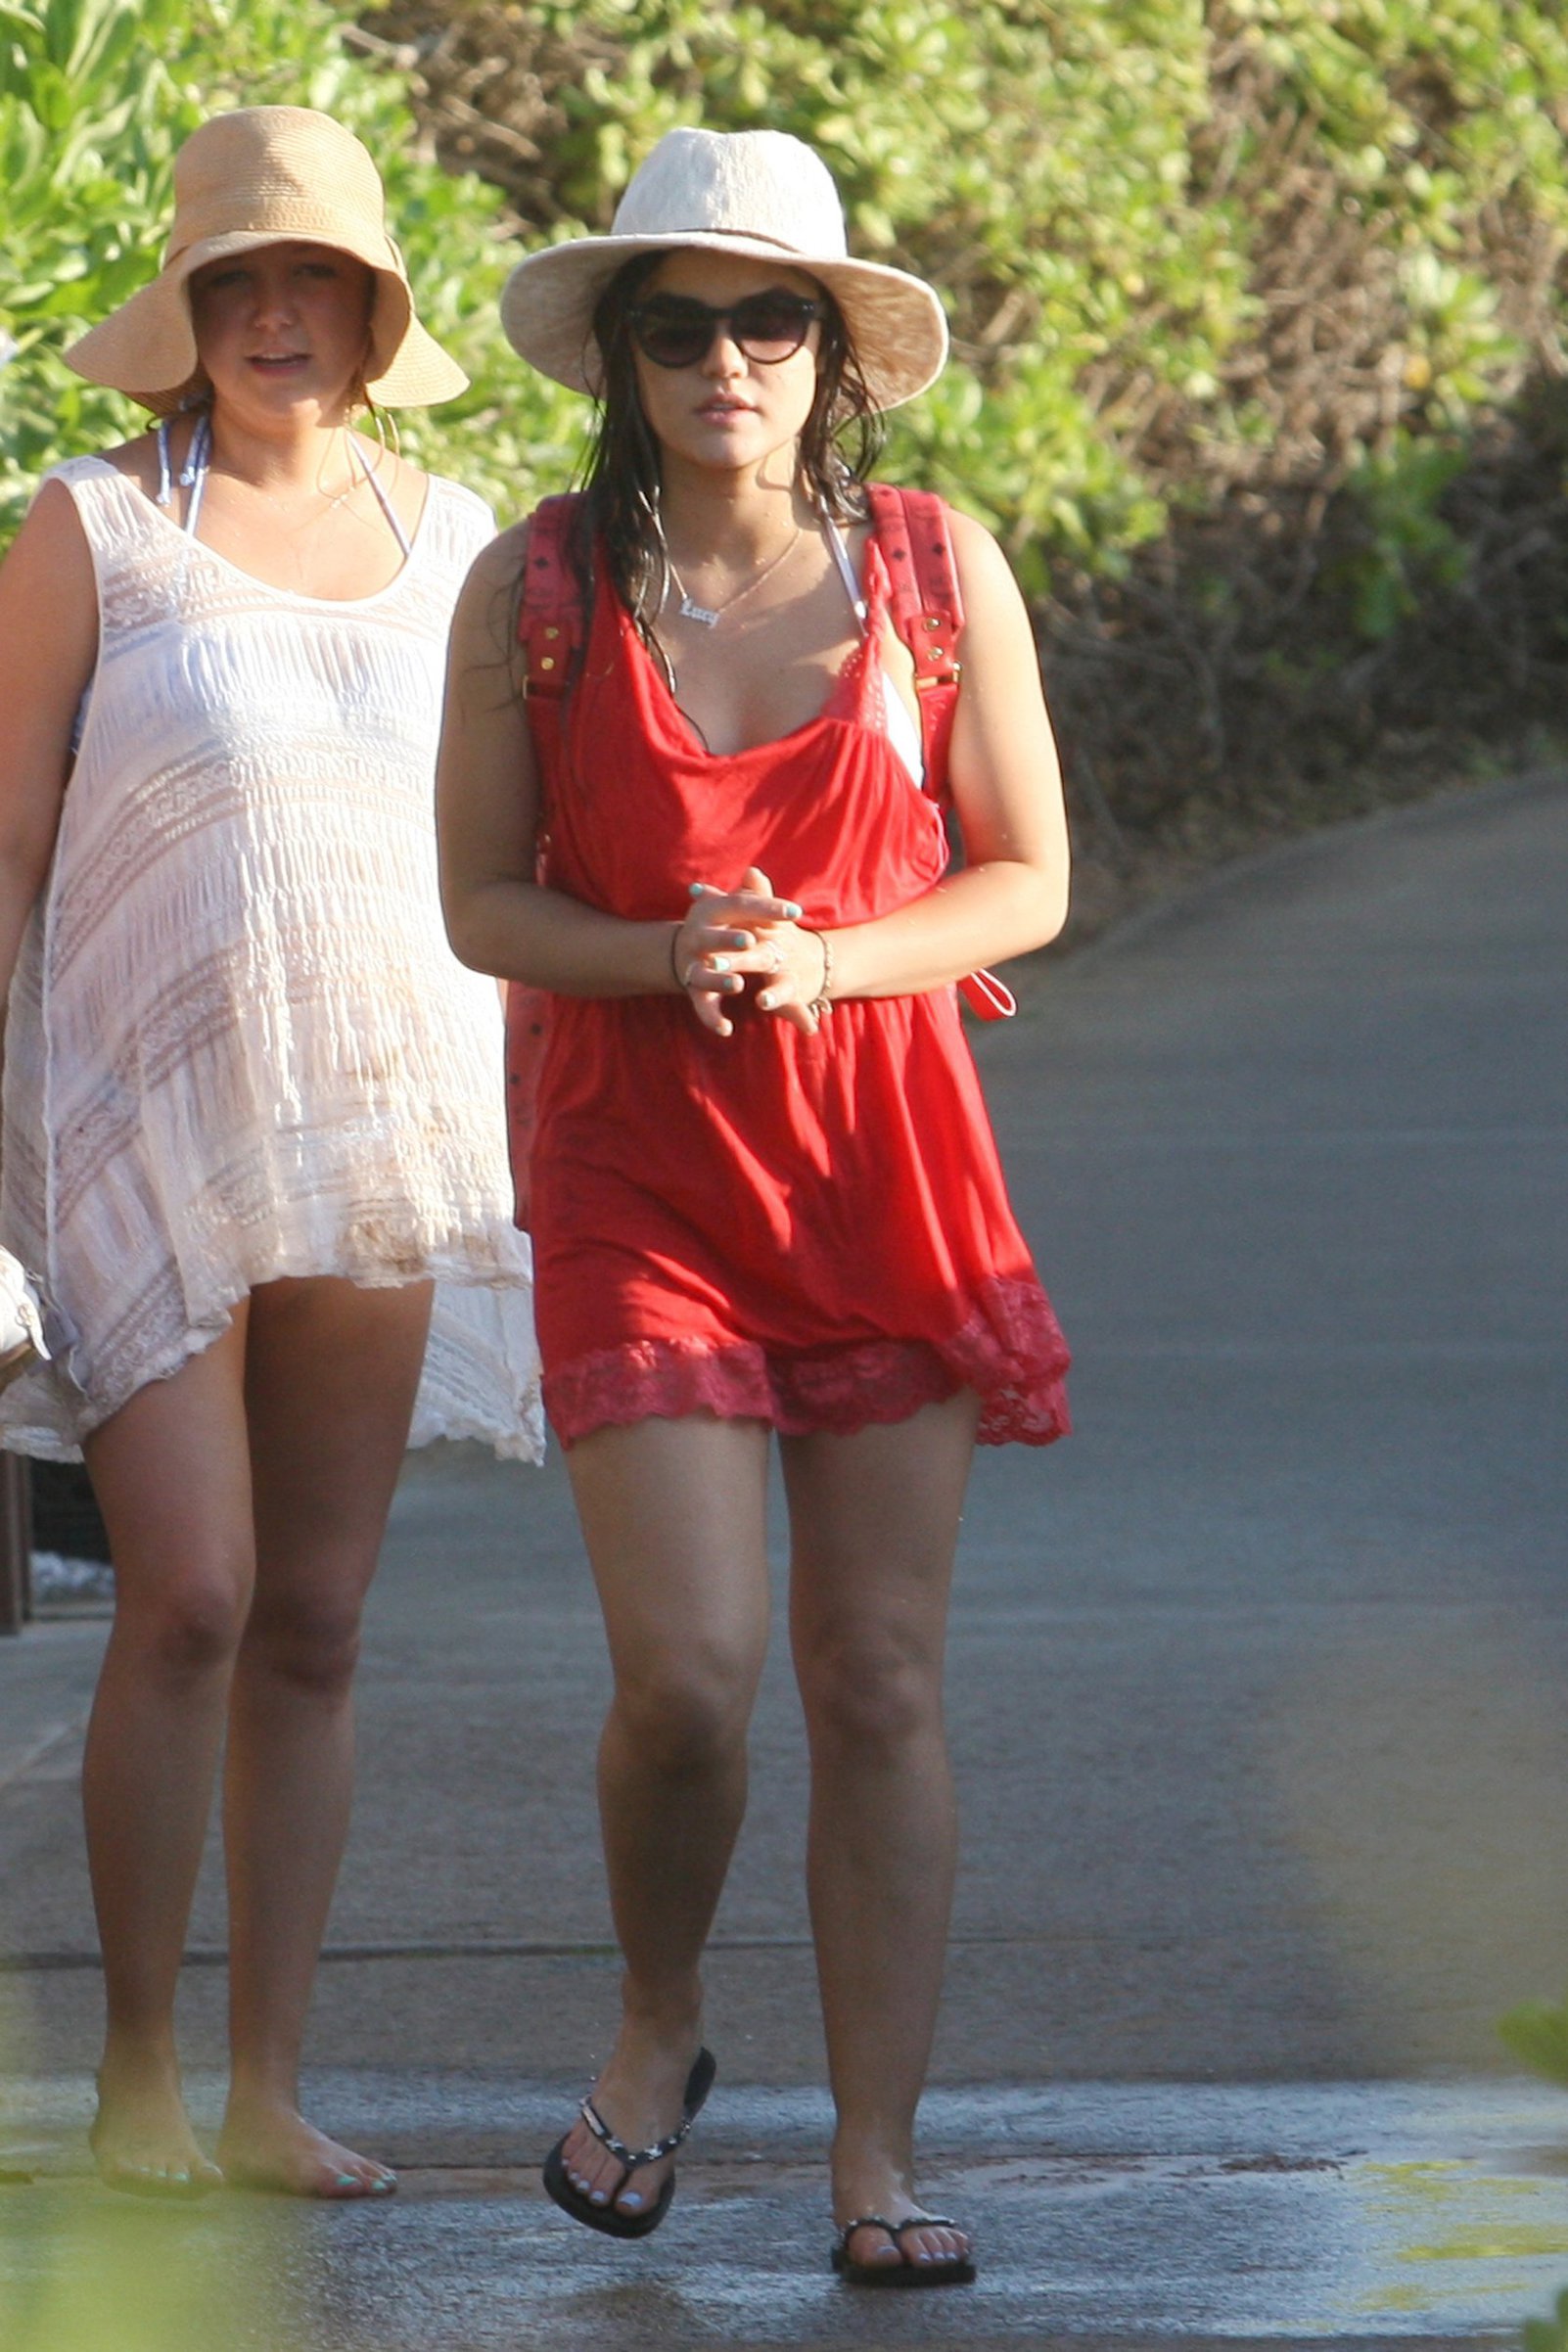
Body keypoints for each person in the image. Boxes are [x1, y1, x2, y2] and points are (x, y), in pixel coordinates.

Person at [437, 126, 1069, 2284]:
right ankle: (660, 2013)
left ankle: (876, 2154)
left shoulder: (927, 568)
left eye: (768, 317)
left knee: (878, 1673)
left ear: (831, 350)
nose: (728, 357)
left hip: (881, 1152)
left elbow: (1029, 876)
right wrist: (674, 953)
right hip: (637, 1159)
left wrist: (824, 953)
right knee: (692, 1679)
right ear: (620, 355)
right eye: (680, 322)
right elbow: (483, 902)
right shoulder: (534, 588)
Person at [0, 107, 540, 2199]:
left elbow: (507, 839)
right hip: (133, 1130)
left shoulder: (463, 534)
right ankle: (134, 2079)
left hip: (382, 1129)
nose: (274, 315)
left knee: (314, 1614)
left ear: (375, 310)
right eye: (234, 283)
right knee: (193, 1590)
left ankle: (263, 2086)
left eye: (310, 279)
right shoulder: (89, 524)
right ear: (188, 316)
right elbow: (14, 849)